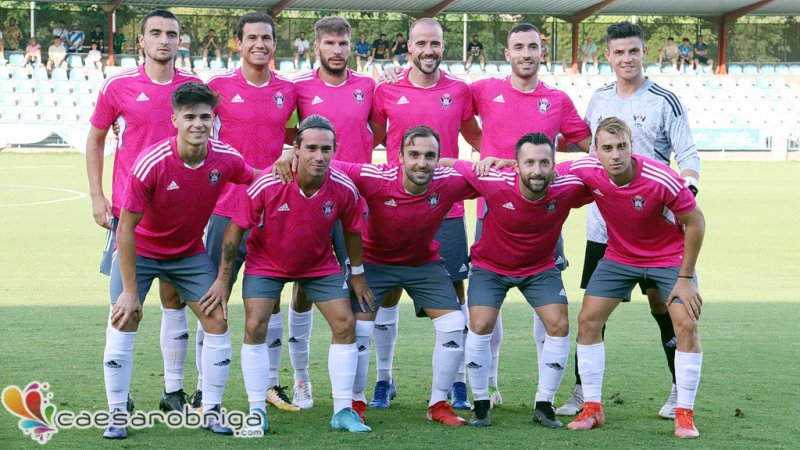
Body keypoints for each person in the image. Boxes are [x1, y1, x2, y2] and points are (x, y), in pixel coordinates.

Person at [556, 21, 701, 421]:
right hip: (605, 226)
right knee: (593, 311)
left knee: (662, 305)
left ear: (643, 53)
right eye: (619, 52)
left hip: (656, 227)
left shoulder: (664, 100)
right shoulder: (599, 98)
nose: (626, 59)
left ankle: (679, 387)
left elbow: (687, 153)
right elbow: (588, 152)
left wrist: (686, 192)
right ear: (608, 56)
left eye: (633, 51)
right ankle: (583, 391)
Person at [101, 82, 257, 439]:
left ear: (213, 119)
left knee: (217, 318)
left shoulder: (226, 158)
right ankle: (116, 412)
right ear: (175, 120)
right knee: (124, 317)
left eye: (205, 117)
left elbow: (255, 179)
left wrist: (285, 166)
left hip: (187, 253)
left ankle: (211, 410)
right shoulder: (152, 162)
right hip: (141, 251)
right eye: (189, 117)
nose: (198, 124)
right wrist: (130, 291)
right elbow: (125, 228)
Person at [204, 114, 372, 433]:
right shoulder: (269, 182)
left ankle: (343, 411)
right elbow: (235, 229)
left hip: (317, 264)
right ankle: (257, 410)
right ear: (296, 149)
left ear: (334, 150)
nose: (319, 156)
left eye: (326, 149)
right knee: (255, 325)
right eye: (311, 148)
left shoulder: (343, 187)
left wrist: (358, 274)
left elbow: (352, 231)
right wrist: (224, 279)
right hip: (266, 263)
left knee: (345, 323)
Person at [86, 10, 203, 419]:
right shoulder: (118, 85)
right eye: (155, 33)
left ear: (179, 40)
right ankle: (119, 399)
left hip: (180, 216)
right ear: (141, 41)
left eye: (171, 34)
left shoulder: (193, 88)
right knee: (124, 306)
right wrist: (97, 195)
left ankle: (173, 391)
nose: (164, 40)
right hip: (130, 215)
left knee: (175, 300)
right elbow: (96, 138)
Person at [469, 22, 591, 407]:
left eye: (533, 47)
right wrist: (486, 151)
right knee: (487, 310)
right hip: (493, 214)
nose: (526, 53)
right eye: (519, 47)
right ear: (507, 54)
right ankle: (489, 387)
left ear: (542, 52)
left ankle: (545, 395)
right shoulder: (484, 90)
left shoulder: (557, 100)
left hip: (544, 217)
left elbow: (588, 146)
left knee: (549, 311)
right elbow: (449, 105)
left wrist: (540, 164)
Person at [438, 132, 593, 428]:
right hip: (490, 267)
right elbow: (445, 163)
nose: (537, 170)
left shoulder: (567, 186)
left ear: (554, 164)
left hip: (539, 268)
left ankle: (544, 404)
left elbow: (600, 173)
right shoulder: (494, 179)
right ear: (517, 165)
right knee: (480, 323)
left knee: (559, 324)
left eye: (544, 163)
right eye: (529, 163)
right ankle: (481, 403)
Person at [564, 117, 705, 439]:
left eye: (621, 147)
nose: (615, 155)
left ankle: (684, 415)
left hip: (668, 259)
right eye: (607, 148)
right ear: (595, 151)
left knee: (686, 324)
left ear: (632, 147)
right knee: (588, 320)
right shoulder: (586, 169)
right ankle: (592, 408)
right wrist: (506, 163)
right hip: (620, 257)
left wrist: (685, 277)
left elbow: (696, 221)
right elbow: (542, 171)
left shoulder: (661, 178)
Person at [368, 17, 482, 411]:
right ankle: (384, 379)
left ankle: (458, 382)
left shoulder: (460, 90)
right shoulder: (386, 89)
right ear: (409, 47)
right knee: (388, 292)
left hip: (445, 208)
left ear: (443, 46)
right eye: (421, 43)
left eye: (435, 43)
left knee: (455, 292)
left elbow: (479, 137)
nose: (428, 50)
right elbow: (368, 139)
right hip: (395, 207)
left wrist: (513, 159)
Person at [330, 125, 478, 426]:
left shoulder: (448, 181)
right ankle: (356, 401)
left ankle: (438, 404)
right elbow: (328, 167)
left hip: (423, 264)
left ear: (439, 159)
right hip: (374, 263)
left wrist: (473, 162)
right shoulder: (376, 177)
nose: (421, 163)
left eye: (430, 156)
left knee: (453, 324)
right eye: (414, 154)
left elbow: (494, 178)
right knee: (359, 330)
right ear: (399, 157)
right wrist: (291, 156)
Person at [203, 11, 299, 413]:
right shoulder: (217, 88)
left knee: (270, 298)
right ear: (238, 44)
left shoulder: (289, 92)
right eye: (252, 38)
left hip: (272, 208)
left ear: (275, 44)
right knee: (213, 295)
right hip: (225, 206)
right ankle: (204, 390)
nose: (259, 44)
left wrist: (289, 154)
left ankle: (271, 385)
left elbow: (296, 138)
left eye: (266, 38)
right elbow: (198, 136)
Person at [286, 15, 376, 410]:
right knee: (304, 288)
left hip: (355, 201)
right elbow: (288, 138)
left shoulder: (369, 87)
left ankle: (358, 391)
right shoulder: (298, 90)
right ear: (316, 46)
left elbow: (378, 132)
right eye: (329, 43)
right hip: (310, 201)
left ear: (351, 46)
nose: (337, 51)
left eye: (343, 43)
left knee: (361, 283)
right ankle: (301, 378)